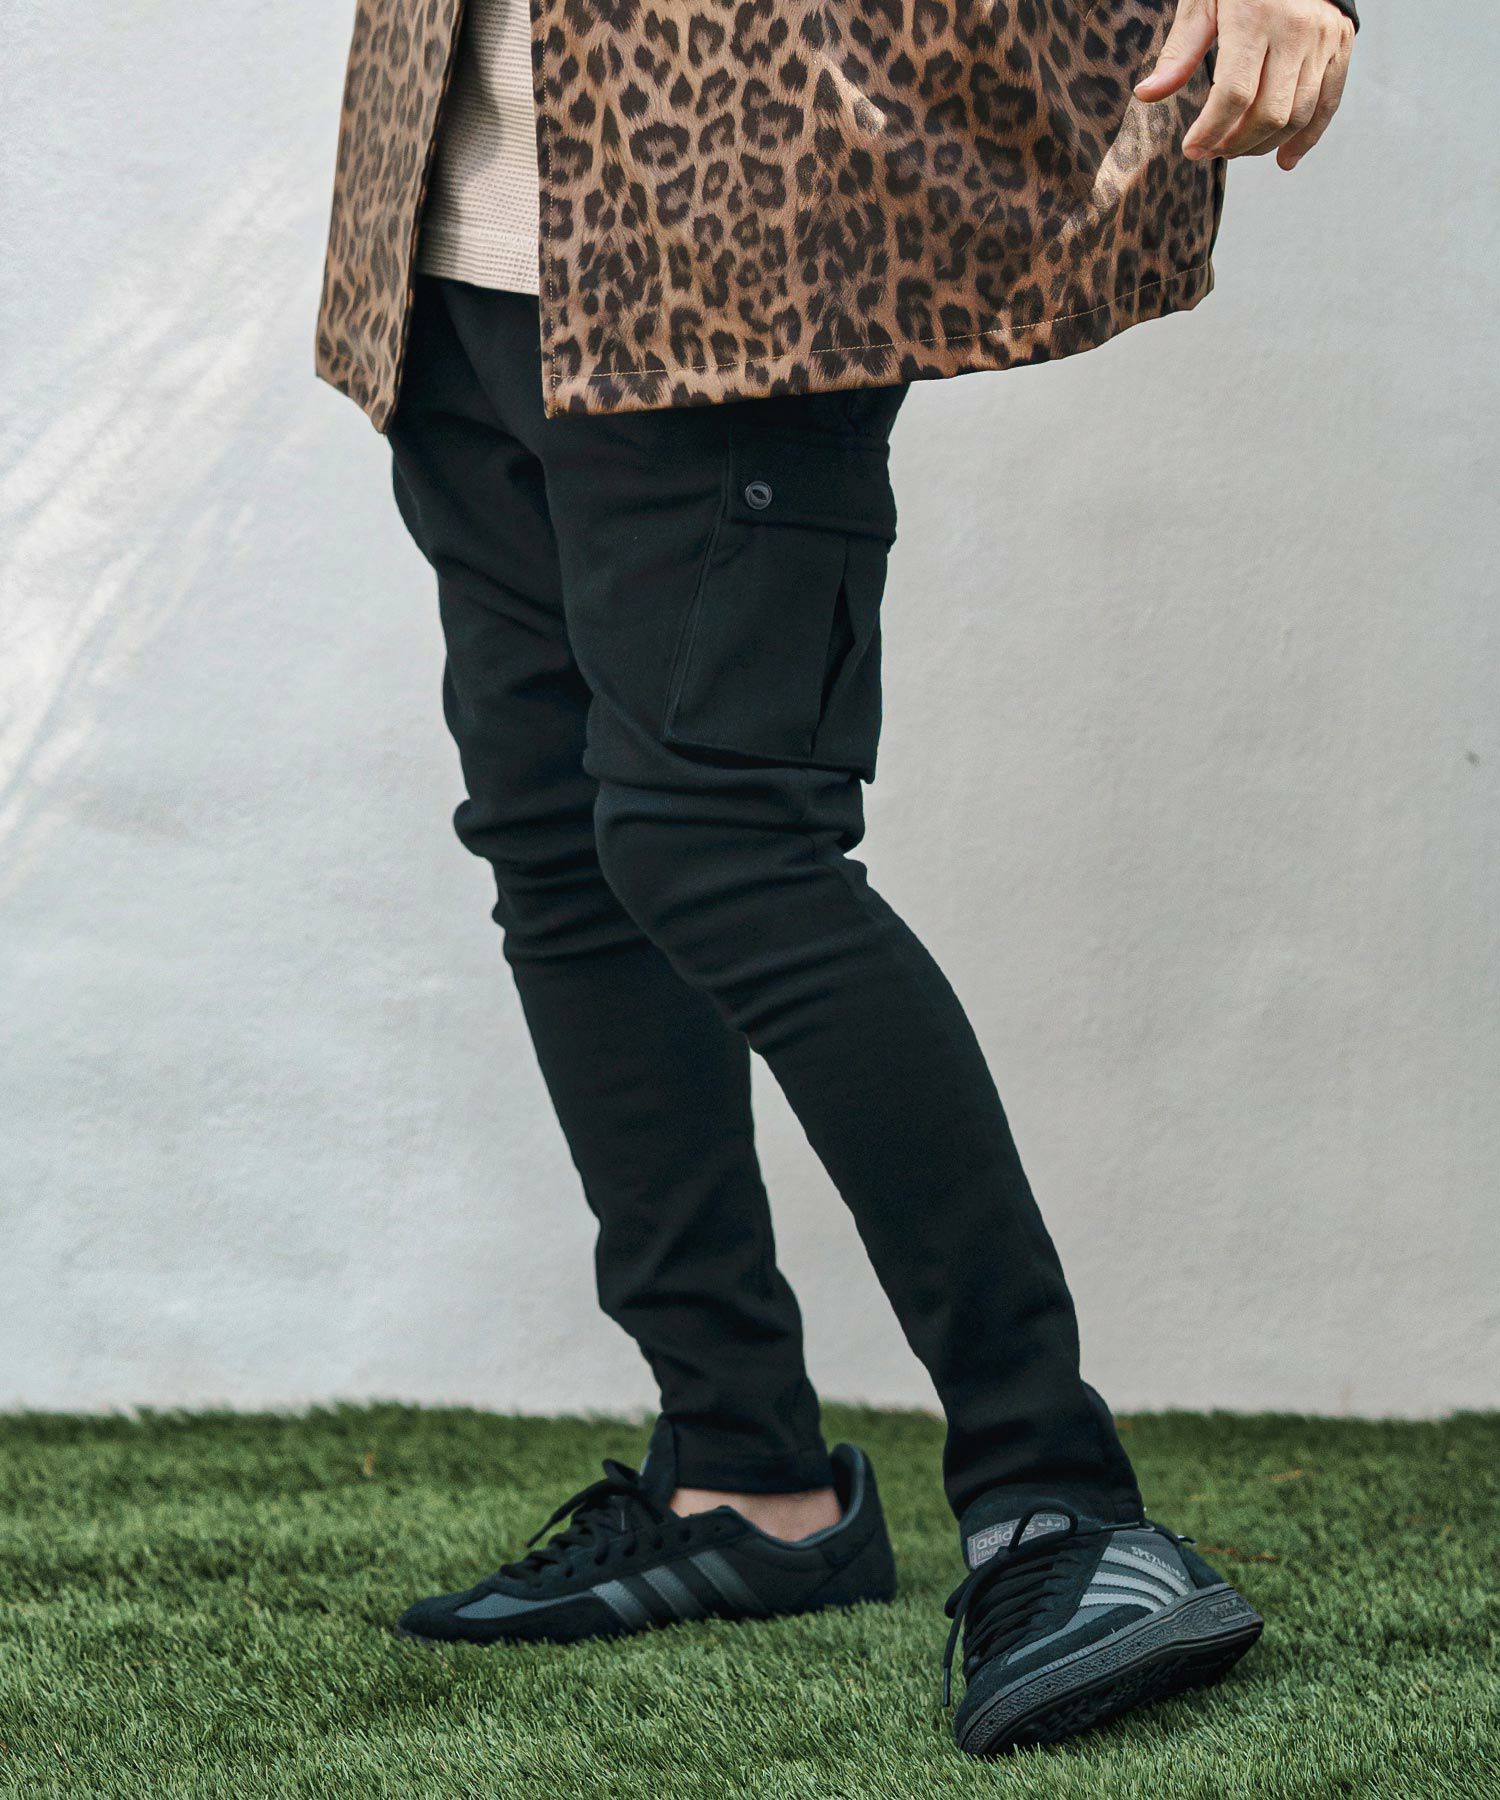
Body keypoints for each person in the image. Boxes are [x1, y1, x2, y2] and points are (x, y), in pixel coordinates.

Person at [316, 0, 1357, 1757]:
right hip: (456, 197)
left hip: (741, 211)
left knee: (718, 845)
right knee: (559, 845)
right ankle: (745, 1478)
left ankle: (1059, 1498)